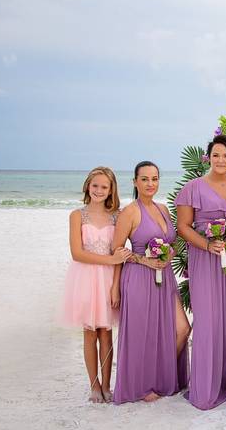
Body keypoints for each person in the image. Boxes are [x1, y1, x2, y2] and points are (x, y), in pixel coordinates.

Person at [175, 135, 226, 410]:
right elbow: (183, 227)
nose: (220, 160)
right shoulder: (192, 188)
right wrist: (207, 244)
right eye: (216, 155)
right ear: (208, 157)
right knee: (209, 318)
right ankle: (205, 386)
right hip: (205, 260)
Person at [111, 161, 191, 404]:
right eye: (144, 179)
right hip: (138, 277)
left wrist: (171, 255)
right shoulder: (130, 212)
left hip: (164, 277)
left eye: (154, 178)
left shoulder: (164, 209)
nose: (150, 183)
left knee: (182, 329)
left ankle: (161, 376)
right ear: (135, 182)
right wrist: (142, 261)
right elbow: (116, 250)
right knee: (143, 334)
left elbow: (173, 242)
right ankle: (144, 385)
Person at [61, 167, 131, 403]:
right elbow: (77, 253)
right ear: (87, 186)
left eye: (104, 187)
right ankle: (94, 385)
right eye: (95, 186)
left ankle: (107, 385)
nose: (99, 190)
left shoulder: (117, 216)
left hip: (109, 279)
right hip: (85, 279)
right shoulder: (77, 216)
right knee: (90, 332)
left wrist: (115, 285)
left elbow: (119, 254)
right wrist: (109, 259)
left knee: (107, 332)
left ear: (111, 190)